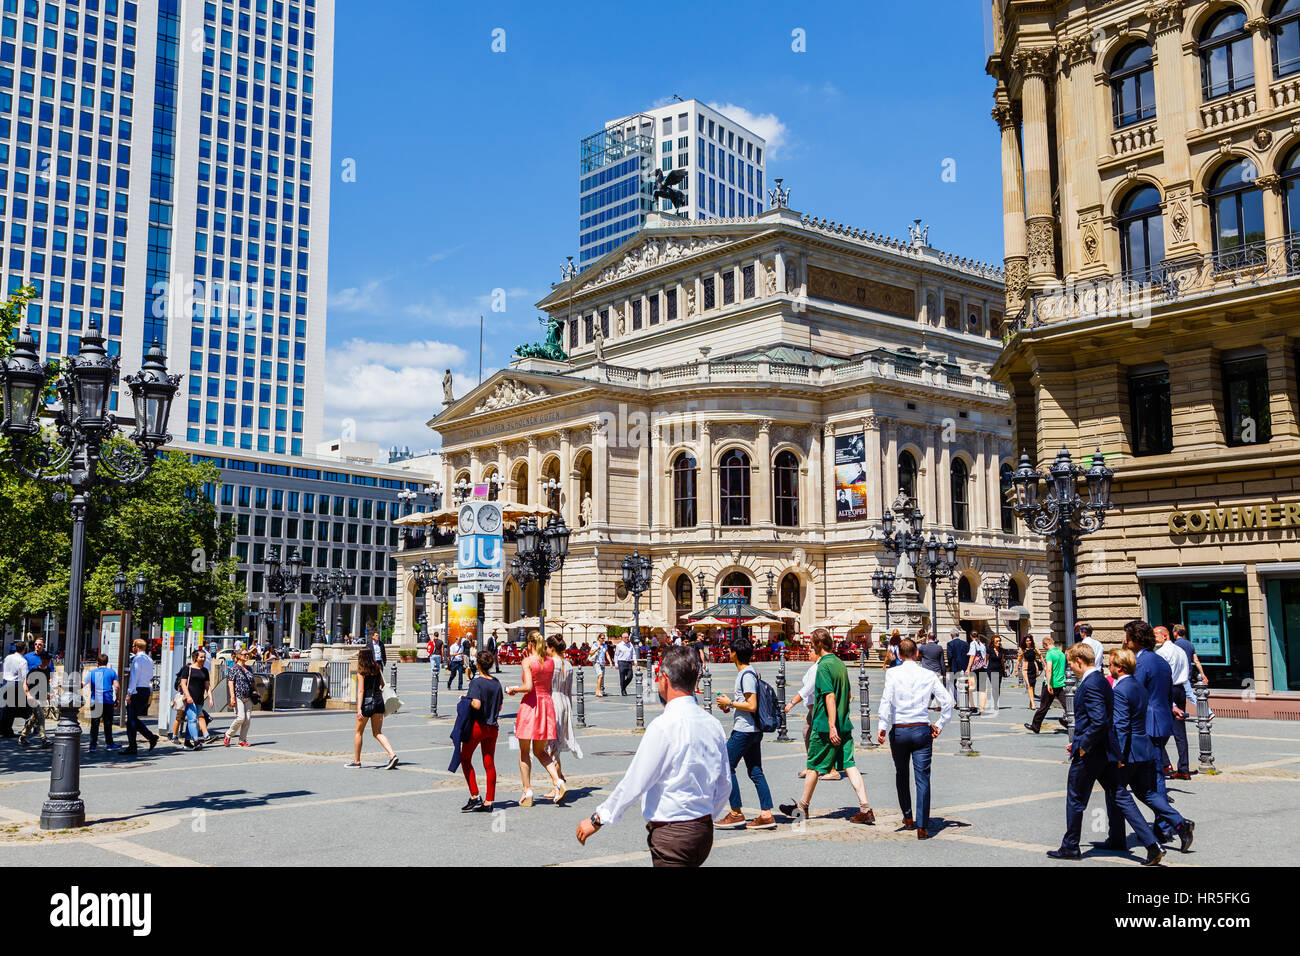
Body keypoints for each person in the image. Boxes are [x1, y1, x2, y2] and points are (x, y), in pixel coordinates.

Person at [576, 646, 731, 867]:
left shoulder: (663, 726)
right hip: (703, 832)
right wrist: (704, 816)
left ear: (664, 679)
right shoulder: (712, 724)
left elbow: (636, 780)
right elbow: (724, 782)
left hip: (673, 834)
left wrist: (599, 817)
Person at [1045, 643, 1151, 862]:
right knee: (1120, 795)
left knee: (1075, 798)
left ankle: (1070, 846)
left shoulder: (1091, 683)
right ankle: (1152, 843)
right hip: (1106, 751)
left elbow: (1099, 721)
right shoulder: (1103, 680)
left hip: (1091, 753)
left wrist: (1082, 745)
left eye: (1071, 664)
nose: (1070, 669)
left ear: (1079, 661)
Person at [779, 629, 877, 824]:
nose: (810, 647)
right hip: (844, 724)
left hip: (825, 726)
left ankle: (802, 808)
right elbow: (848, 694)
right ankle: (865, 808)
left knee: (813, 766)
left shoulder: (823, 666)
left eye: (812, 644)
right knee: (849, 765)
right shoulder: (840, 664)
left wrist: (831, 725)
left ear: (819, 645)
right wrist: (840, 720)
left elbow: (829, 696)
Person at [1106, 647, 1194, 857]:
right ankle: (1180, 823)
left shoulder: (1120, 690)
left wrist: (1117, 755)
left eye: (1110, 664)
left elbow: (1121, 725)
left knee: (1118, 793)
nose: (1108, 668)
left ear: (1119, 667)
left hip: (1129, 752)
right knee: (1145, 792)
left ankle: (1149, 843)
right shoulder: (1138, 686)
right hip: (1145, 748)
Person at [873, 637, 953, 839]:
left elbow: (886, 700)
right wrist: (940, 724)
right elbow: (948, 702)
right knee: (923, 778)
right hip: (921, 729)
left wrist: (882, 726)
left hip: (900, 729)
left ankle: (908, 818)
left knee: (901, 774)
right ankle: (922, 827)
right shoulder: (928, 674)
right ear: (917, 654)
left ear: (899, 655)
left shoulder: (892, 673)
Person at [714, 635, 777, 830]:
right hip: (751, 729)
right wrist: (730, 707)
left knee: (725, 766)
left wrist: (730, 703)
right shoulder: (748, 673)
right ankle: (766, 814)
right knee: (755, 770)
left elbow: (752, 705)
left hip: (745, 730)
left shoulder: (746, 675)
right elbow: (747, 704)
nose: (729, 653)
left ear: (734, 653)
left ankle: (735, 812)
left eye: (730, 651)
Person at [506, 632, 565, 806]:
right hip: (546, 705)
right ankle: (558, 781)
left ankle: (527, 791)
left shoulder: (527, 662)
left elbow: (529, 687)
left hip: (531, 706)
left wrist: (514, 689)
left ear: (530, 644)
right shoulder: (550, 662)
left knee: (524, 752)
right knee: (540, 752)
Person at [1126, 620, 1177, 810]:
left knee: (1154, 774)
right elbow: (1168, 693)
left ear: (1135, 639)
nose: (1126, 641)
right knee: (1154, 772)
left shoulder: (1141, 662)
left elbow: (1133, 694)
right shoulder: (1160, 660)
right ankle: (1164, 821)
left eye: (1128, 637)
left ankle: (1166, 822)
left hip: (1149, 722)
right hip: (1162, 720)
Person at [460, 650, 504, 812]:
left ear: (477, 664)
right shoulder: (496, 682)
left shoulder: (476, 682)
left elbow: (476, 704)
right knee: (489, 763)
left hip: (478, 726)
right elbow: (499, 706)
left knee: (465, 758)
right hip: (493, 727)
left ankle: (474, 795)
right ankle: (489, 801)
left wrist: (465, 700)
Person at [347, 645, 398, 769]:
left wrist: (359, 709)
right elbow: (382, 684)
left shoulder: (361, 671)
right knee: (377, 732)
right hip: (379, 702)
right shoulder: (377, 668)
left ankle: (357, 761)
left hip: (367, 704)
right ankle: (392, 755)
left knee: (359, 732)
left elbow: (361, 691)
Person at [546, 635, 583, 795]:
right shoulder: (568, 664)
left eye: (547, 647)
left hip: (552, 701)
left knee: (550, 747)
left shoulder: (549, 664)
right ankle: (558, 780)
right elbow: (569, 690)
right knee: (555, 746)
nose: (545, 650)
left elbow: (546, 687)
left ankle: (557, 785)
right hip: (564, 702)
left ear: (552, 648)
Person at [1154, 626, 1191, 780]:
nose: (1154, 638)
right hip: (1180, 689)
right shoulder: (1181, 651)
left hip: (1168, 690)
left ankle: (1165, 764)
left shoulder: (1162, 653)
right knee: (1180, 732)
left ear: (1165, 636)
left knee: (1158, 729)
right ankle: (1184, 769)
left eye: (1156, 635)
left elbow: (1163, 675)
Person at [122, 638, 159, 755]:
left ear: (136, 647)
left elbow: (134, 677)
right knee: (133, 719)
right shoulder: (149, 659)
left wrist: (129, 693)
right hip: (145, 689)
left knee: (131, 720)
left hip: (136, 690)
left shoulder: (137, 659)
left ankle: (133, 746)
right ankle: (150, 737)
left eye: (133, 646)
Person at [1025, 636, 1066, 733]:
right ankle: (1072, 722)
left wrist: (1048, 684)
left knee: (1044, 706)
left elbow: (1048, 669)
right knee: (1067, 705)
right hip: (1061, 683)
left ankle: (1035, 726)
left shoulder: (1050, 654)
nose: (1045, 648)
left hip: (1051, 683)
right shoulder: (1061, 654)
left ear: (1046, 644)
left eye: (1044, 647)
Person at [1172, 623, 1212, 719]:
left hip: (1180, 674)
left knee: (1189, 694)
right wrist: (1203, 674)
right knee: (1183, 694)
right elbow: (1196, 661)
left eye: (1173, 631)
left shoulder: (1175, 645)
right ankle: (1178, 713)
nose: (1173, 633)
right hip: (1188, 673)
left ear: (1176, 632)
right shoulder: (1190, 644)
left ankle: (1208, 712)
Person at [82, 653, 119, 752]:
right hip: (108, 701)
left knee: (95, 724)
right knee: (108, 723)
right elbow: (116, 686)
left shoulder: (91, 673)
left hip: (95, 701)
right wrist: (117, 698)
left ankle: (93, 745)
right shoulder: (112, 672)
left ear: (97, 663)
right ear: (107, 662)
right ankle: (109, 744)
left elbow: (83, 684)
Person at [178, 649, 214, 751]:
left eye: (204, 657)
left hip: (199, 698)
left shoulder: (205, 670)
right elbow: (183, 684)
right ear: (195, 658)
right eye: (201, 657)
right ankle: (196, 741)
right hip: (190, 698)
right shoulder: (187, 668)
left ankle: (187, 742)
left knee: (192, 720)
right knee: (192, 719)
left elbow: (207, 685)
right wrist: (188, 696)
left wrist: (210, 698)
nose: (203, 659)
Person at [224, 649, 256, 747]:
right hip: (238, 696)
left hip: (248, 696)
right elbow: (230, 683)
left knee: (247, 719)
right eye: (245, 654)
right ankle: (228, 734)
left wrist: (256, 691)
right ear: (238, 656)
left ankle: (242, 740)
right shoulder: (234, 668)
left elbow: (253, 682)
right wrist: (232, 697)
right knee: (241, 717)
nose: (247, 656)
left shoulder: (249, 668)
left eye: (248, 654)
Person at [0, 641, 30, 738]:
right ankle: (7, 730)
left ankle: (3, 729)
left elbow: (3, 669)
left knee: (5, 708)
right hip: (15, 684)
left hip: (5, 682)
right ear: (24, 649)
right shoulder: (23, 661)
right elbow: (24, 676)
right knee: (12, 709)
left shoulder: (8, 657)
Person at [944, 628, 969, 704]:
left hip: (954, 667)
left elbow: (949, 656)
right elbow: (968, 655)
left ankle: (958, 700)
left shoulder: (950, 644)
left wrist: (949, 665)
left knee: (952, 683)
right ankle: (964, 700)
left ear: (952, 635)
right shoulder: (965, 644)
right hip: (964, 666)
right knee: (964, 683)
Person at [966, 631, 988, 714]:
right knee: (982, 689)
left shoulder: (973, 643)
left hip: (975, 668)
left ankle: (973, 706)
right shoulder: (982, 644)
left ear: (970, 636)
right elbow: (985, 656)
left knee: (971, 688)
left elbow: (972, 656)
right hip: (982, 667)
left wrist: (968, 668)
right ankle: (982, 707)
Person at [985, 635, 1005, 716]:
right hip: (991, 670)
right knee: (994, 686)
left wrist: (1004, 670)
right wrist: (984, 669)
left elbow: (1002, 661)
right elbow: (985, 660)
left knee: (998, 687)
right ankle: (995, 703)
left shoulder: (1002, 650)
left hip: (999, 670)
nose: (998, 642)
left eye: (999, 641)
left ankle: (996, 701)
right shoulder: (989, 650)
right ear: (993, 642)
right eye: (997, 641)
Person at [1019, 634, 1040, 710]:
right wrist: (1016, 670)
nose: (1029, 642)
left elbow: (1040, 655)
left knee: (1033, 685)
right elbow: (1018, 660)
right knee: (1029, 685)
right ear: (1024, 642)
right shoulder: (1022, 649)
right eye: (1027, 641)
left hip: (1034, 667)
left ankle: (1031, 703)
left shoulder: (1034, 648)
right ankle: (1033, 704)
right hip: (1026, 669)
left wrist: (1044, 664)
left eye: (1030, 640)